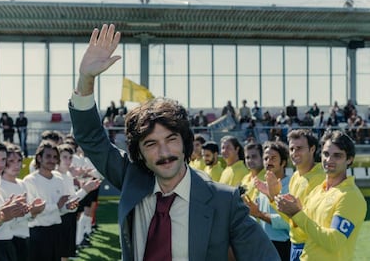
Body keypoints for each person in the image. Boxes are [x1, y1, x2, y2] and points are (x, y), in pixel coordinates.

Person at [69, 24, 279, 260]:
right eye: (151, 144)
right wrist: (85, 79)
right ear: (139, 152)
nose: (164, 152)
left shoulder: (224, 200)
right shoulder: (132, 177)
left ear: (185, 142)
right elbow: (91, 138)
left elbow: (265, 256)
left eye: (171, 139)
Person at [275, 131, 366, 261]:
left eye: (337, 156)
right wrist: (276, 199)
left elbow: (333, 242)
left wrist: (297, 213)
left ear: (349, 159)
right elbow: (302, 229)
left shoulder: (350, 197)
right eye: (326, 154)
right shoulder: (319, 190)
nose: (329, 160)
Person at [262, 129, 325, 261]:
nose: (294, 153)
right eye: (291, 149)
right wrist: (273, 198)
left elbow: (315, 222)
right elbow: (291, 219)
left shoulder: (321, 179)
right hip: (295, 244)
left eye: (299, 148)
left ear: (312, 149)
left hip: (312, 246)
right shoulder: (295, 177)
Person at [22, 141, 79, 261]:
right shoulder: (29, 181)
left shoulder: (58, 178)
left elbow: (60, 210)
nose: (52, 160)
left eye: (55, 157)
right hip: (37, 233)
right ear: (39, 158)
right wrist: (57, 206)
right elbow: (32, 211)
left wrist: (67, 208)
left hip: (57, 231)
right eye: (48, 156)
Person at [0, 143, 45, 261]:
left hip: (25, 236)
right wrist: (30, 212)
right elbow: (6, 220)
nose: (16, 165)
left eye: (19, 160)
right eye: (11, 161)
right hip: (10, 240)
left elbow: (29, 216)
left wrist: (35, 211)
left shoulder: (22, 183)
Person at [244, 141, 291, 261]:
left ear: (283, 162)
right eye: (266, 158)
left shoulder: (290, 185)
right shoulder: (262, 185)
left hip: (282, 246)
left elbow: (288, 223)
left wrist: (260, 214)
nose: (268, 162)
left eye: (273, 158)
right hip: (263, 243)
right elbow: (257, 215)